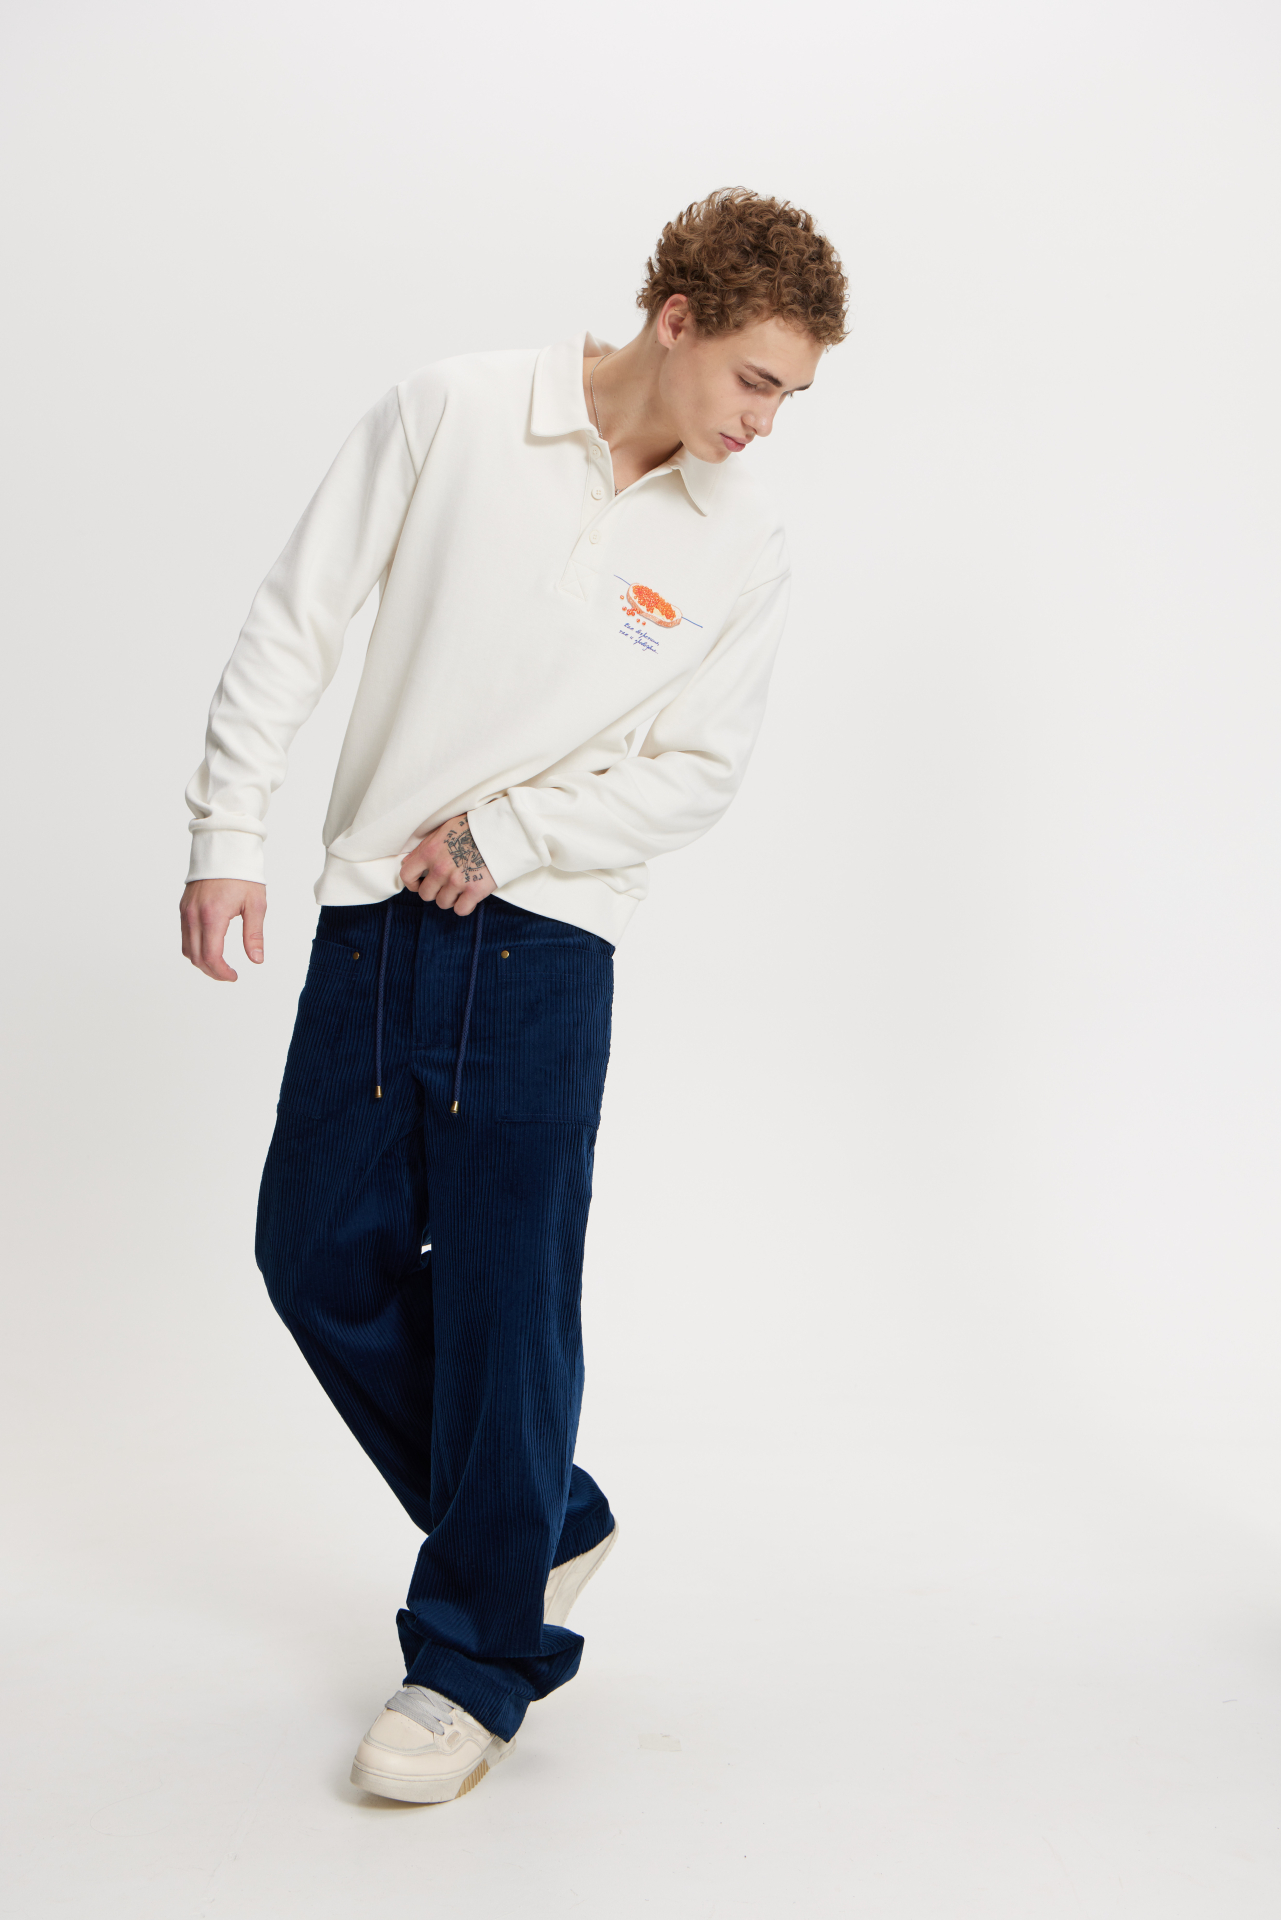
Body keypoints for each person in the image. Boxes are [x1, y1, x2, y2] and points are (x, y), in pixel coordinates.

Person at [180, 187, 848, 1804]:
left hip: (544, 940)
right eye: (755, 380)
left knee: (505, 1293)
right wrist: (225, 835)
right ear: (676, 318)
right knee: (310, 1248)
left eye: (791, 398)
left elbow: (698, 771)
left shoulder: (741, 539)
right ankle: (544, 1519)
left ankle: (472, 1663)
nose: (765, 423)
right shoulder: (456, 412)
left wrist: (510, 834)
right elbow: (296, 621)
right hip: (370, 912)